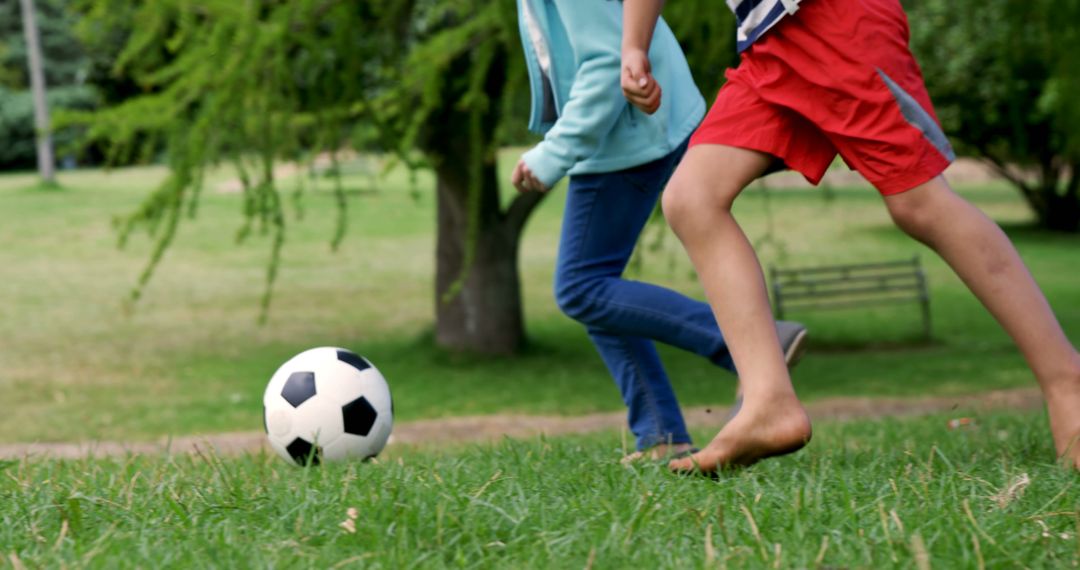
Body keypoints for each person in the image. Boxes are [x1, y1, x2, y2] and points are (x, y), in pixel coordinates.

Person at [621, 0, 1080, 472]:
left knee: (919, 204)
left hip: (835, 21)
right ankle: (768, 403)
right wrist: (634, 44)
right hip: (771, 41)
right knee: (693, 199)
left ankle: (1067, 379)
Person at [512, 0, 809, 462]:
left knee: (581, 288)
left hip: (626, 135)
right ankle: (660, 433)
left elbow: (608, 61)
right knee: (600, 288)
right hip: (640, 128)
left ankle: (749, 346)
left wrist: (552, 153)